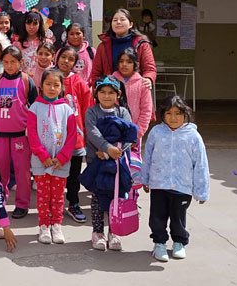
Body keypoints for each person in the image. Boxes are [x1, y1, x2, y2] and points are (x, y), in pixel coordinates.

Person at [142, 96, 209, 262]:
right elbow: (148, 157)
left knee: (178, 218)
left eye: (178, 113)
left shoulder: (193, 136)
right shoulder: (156, 132)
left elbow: (201, 164)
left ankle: (179, 242)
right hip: (159, 185)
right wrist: (145, 179)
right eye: (169, 113)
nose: (173, 117)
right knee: (157, 217)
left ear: (185, 114)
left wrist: (201, 191)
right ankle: (159, 243)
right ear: (162, 115)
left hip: (182, 187)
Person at [0, 46, 37, 219]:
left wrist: (33, 131)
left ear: (20, 62)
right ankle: (0, 201)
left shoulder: (26, 80)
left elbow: (36, 107)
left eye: (13, 62)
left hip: (20, 135)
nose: (9, 66)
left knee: (22, 172)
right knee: (0, 170)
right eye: (6, 62)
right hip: (0, 134)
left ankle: (22, 205)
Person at [27, 69, 77, 244]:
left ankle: (56, 224)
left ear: (62, 87)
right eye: (48, 84)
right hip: (41, 161)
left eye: (56, 85)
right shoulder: (35, 107)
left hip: (60, 162)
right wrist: (42, 155)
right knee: (43, 195)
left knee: (57, 196)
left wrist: (62, 157)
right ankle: (44, 226)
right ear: (41, 86)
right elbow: (32, 134)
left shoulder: (67, 109)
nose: (52, 88)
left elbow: (72, 137)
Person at [84, 75, 133, 251]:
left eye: (111, 92)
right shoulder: (91, 112)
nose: (106, 96)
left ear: (118, 94)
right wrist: (105, 150)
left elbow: (129, 135)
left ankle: (115, 231)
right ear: (96, 94)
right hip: (96, 160)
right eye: (102, 92)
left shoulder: (123, 112)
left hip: (117, 163)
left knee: (116, 196)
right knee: (97, 196)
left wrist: (114, 152)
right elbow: (92, 132)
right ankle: (97, 232)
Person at [54, 46, 93, 223]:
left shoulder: (79, 82)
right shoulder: (50, 79)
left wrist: (85, 133)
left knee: (73, 175)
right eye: (63, 57)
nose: (66, 61)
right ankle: (52, 206)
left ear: (75, 64)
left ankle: (73, 203)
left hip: (75, 138)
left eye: (71, 59)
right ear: (57, 57)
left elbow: (86, 109)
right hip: (54, 139)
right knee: (54, 175)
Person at [91, 8, 156, 89]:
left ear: (130, 24)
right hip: (109, 93)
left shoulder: (142, 44)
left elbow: (149, 69)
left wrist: (148, 79)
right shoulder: (103, 46)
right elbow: (96, 73)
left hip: (135, 90)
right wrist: (98, 87)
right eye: (115, 20)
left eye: (122, 20)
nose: (118, 22)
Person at [113, 48, 153, 151]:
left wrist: (136, 134)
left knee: (132, 164)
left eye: (129, 62)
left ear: (136, 65)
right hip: (113, 134)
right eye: (121, 61)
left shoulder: (143, 84)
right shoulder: (111, 81)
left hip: (134, 135)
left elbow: (146, 111)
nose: (124, 64)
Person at [12, 11, 47, 76]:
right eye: (28, 23)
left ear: (40, 25)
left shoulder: (46, 43)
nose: (31, 27)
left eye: (35, 24)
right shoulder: (17, 44)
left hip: (42, 80)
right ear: (24, 24)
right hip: (23, 80)